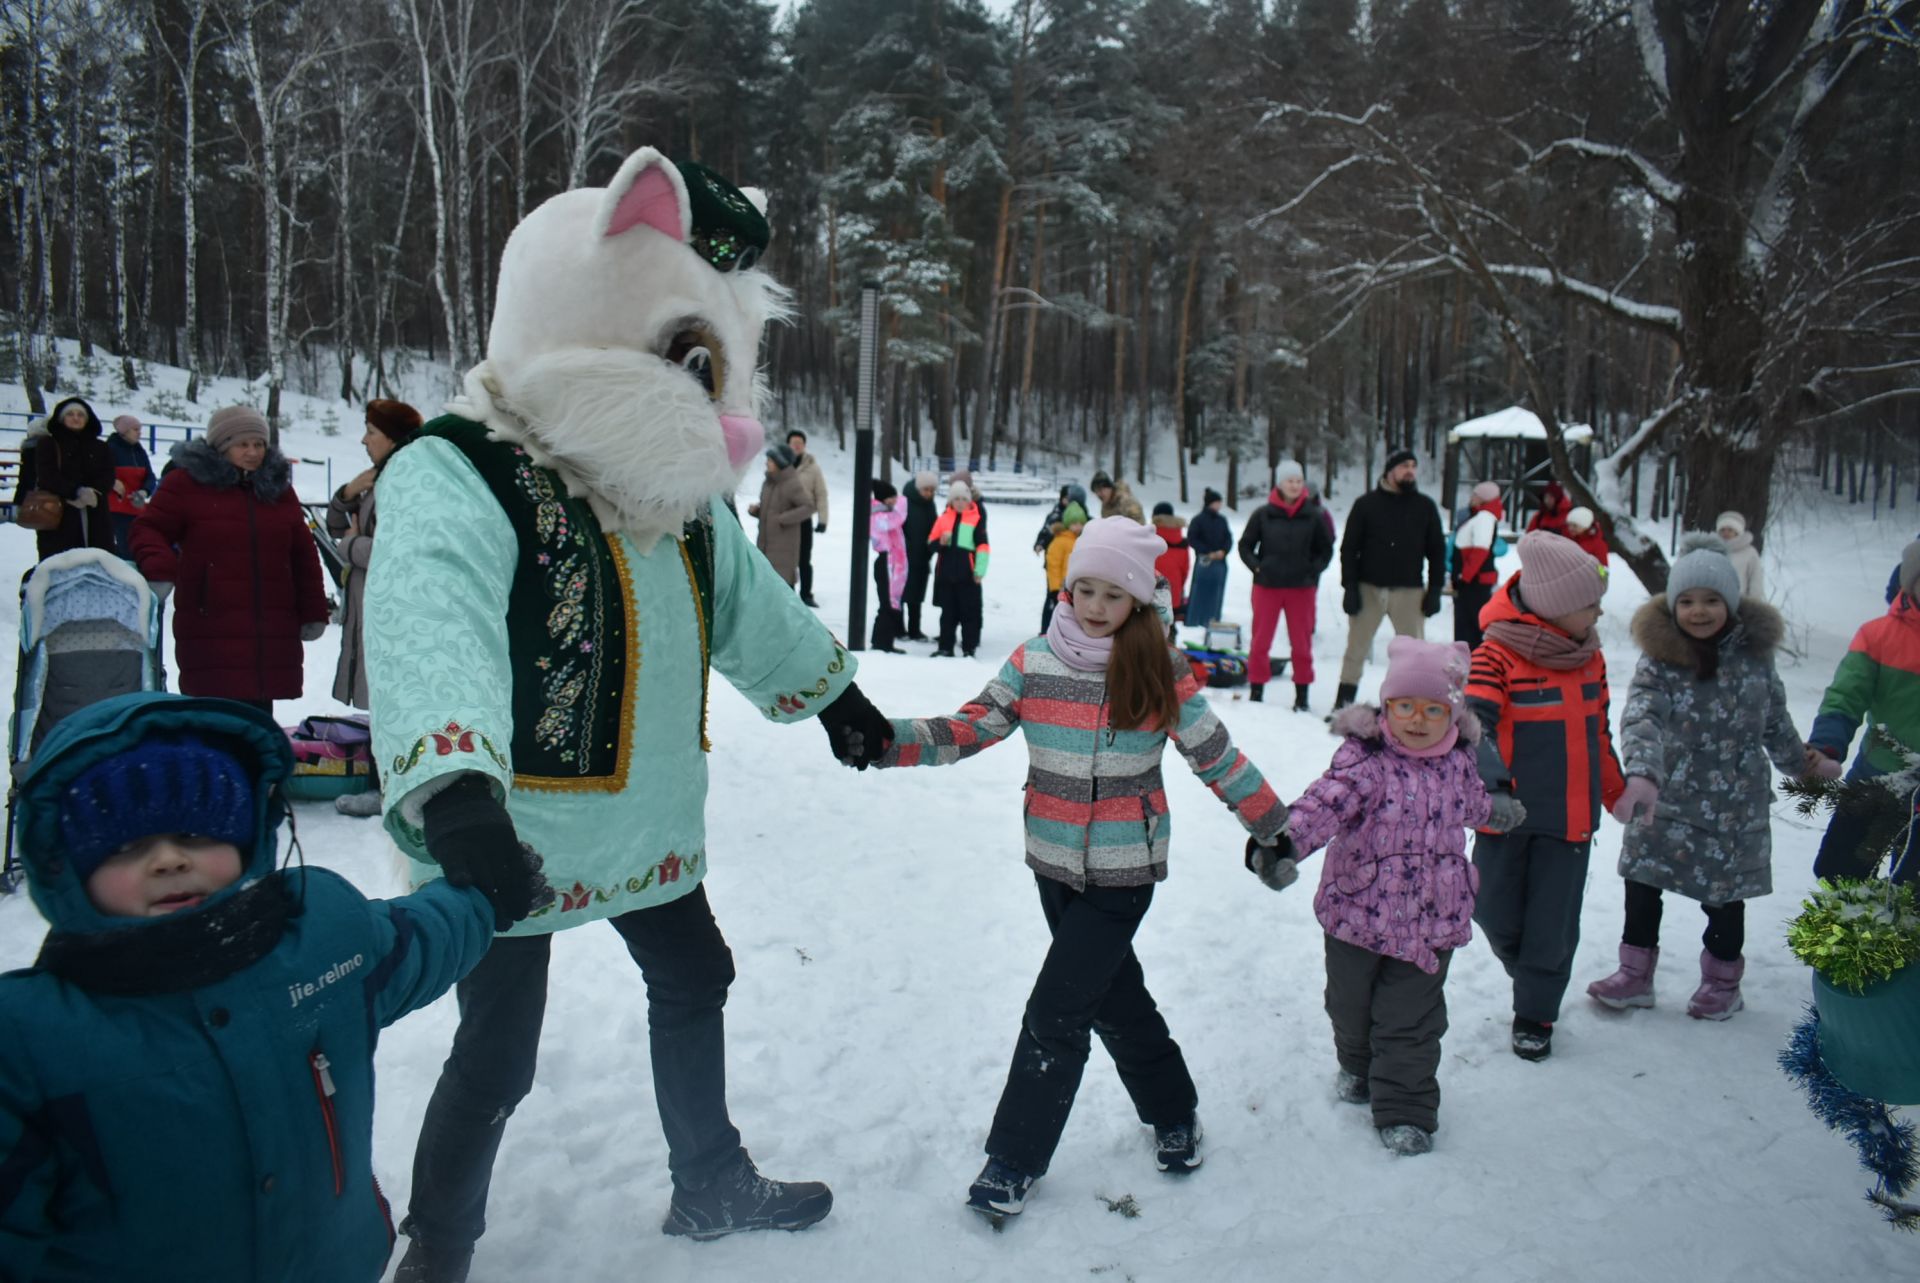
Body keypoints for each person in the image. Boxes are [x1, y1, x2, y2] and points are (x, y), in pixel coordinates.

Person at [366, 149, 895, 1282]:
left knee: (695, 975)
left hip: (646, 818)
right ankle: (439, 1248)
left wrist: (832, 693)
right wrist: (455, 787)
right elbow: (430, 616)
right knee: (498, 1056)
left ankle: (708, 1180)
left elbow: (750, 603)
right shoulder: (460, 467)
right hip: (508, 830)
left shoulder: (676, 494)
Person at [0, 692, 549, 1283]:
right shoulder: (29, 1042)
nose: (167, 860)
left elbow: (421, 940)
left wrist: (482, 902)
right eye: (124, 846)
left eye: (195, 833)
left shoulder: (318, 937)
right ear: (66, 868)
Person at [875, 517, 1288, 1221]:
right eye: (1083, 589)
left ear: (1138, 600)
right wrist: (890, 742)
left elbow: (1214, 753)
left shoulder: (1159, 666)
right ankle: (1174, 1107)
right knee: (1115, 1000)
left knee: (1056, 1010)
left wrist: (1272, 825)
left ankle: (1012, 1159)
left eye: (1112, 594)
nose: (1094, 606)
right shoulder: (1036, 660)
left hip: (1126, 869)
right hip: (1054, 864)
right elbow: (973, 724)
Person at [1251, 638, 1509, 1155]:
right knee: (1349, 1007)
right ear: (1386, 707)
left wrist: (1493, 811)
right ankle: (1356, 1062)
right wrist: (1283, 844)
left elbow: (1473, 801)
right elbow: (1322, 806)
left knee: (1411, 1022)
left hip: (1430, 924)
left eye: (1434, 708)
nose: (1418, 719)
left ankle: (1407, 1109)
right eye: (1406, 706)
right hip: (1356, 914)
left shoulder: (1459, 762)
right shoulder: (1365, 762)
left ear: (1454, 714)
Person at [1586, 536, 1830, 1022]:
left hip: (1734, 801)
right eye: (1688, 601)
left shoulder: (1756, 657)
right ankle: (1634, 974)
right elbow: (1642, 717)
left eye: (1712, 600)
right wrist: (1642, 774)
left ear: (1732, 604)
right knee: (1642, 880)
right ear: (1674, 605)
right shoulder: (1661, 657)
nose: (1699, 611)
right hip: (1667, 791)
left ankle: (1722, 981)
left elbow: (1775, 721)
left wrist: (1803, 765)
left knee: (1724, 895)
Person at [1466, 531, 1626, 1061]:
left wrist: (1616, 792)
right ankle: (1530, 970)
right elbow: (1474, 728)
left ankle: (1535, 1009)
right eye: (1590, 606)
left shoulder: (1590, 660)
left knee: (1553, 927)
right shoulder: (1497, 655)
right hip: (1505, 817)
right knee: (1488, 907)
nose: (1598, 616)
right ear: (1556, 608)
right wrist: (1490, 789)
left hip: (1570, 821)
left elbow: (1599, 733)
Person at [130, 405, 329, 716]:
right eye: (242, 444)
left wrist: (313, 610)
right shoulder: (185, 484)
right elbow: (148, 528)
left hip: (271, 624)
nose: (253, 452)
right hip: (211, 622)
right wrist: (160, 567)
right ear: (221, 446)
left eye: (259, 444)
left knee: (259, 720)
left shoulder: (278, 491)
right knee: (216, 719)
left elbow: (303, 554)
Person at [326, 398, 424, 817]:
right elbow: (335, 526)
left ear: (392, 437)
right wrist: (347, 494)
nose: (364, 439)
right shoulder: (380, 477)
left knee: (394, 698)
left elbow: (397, 551)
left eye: (371, 431)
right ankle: (385, 782)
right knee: (383, 698)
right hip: (372, 604)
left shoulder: (409, 479)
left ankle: (391, 787)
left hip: (394, 608)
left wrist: (349, 544)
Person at [1806, 540, 1920, 886]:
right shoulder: (1878, 636)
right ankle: (1835, 937)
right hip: (1876, 774)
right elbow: (1845, 696)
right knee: (1838, 871)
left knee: (1912, 890)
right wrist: (1826, 745)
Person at [1334, 449, 1443, 712]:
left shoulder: (1424, 506)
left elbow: (1437, 551)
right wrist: (1350, 587)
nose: (1410, 471)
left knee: (1414, 655)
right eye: (1404, 465)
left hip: (1409, 591)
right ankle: (1342, 705)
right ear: (1390, 470)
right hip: (1368, 587)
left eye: (1413, 466)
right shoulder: (1366, 504)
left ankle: (1410, 706)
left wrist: (1435, 589)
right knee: (1356, 649)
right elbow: (1349, 549)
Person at [1239, 460, 1335, 710]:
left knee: (1301, 643)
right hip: (1267, 586)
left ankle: (1302, 696)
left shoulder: (1314, 515)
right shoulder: (1263, 514)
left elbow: (1326, 549)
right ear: (1280, 484)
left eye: (1298, 481)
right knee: (1260, 641)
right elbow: (1245, 545)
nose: (1294, 485)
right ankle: (1257, 690)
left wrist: (1313, 571)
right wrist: (1257, 567)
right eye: (1289, 481)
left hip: (1301, 588)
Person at [17, 396, 116, 561]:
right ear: (62, 418)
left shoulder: (101, 446)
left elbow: (108, 475)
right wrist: (75, 492)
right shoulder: (48, 444)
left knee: (97, 561)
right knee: (60, 562)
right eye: (70, 414)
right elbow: (47, 475)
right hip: (59, 513)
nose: (76, 418)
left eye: (80, 414)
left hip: (95, 512)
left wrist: (94, 493)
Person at [930, 479, 990, 658]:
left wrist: (979, 571)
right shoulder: (943, 519)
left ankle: (968, 649)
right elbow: (930, 544)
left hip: (968, 576)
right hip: (946, 576)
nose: (960, 503)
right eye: (957, 499)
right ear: (951, 501)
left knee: (968, 614)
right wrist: (940, 543)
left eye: (964, 499)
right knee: (947, 614)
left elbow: (983, 547)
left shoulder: (976, 519)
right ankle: (945, 647)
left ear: (969, 500)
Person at [751, 443, 816, 588]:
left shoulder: (792, 484)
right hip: (764, 546)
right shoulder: (767, 483)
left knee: (783, 590)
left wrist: (783, 519)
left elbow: (809, 507)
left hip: (784, 549)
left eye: (770, 460)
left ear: (780, 462)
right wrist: (757, 511)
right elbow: (770, 512)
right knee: (766, 590)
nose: (766, 462)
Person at [1450, 481, 1503, 649]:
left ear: (1483, 499)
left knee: (1469, 625)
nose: (1471, 498)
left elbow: (1480, 552)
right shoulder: (1481, 516)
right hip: (1474, 581)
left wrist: (1464, 577)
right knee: (1470, 624)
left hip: (1474, 583)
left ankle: (1471, 660)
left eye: (1475, 495)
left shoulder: (1484, 518)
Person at [105, 413, 158, 558]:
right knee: (124, 546)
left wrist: (145, 491)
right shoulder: (109, 448)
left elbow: (150, 476)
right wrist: (112, 482)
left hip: (136, 506)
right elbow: (98, 473)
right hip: (116, 508)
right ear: (124, 431)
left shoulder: (139, 450)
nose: (139, 433)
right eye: (135, 429)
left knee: (137, 544)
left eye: (140, 429)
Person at [787, 429, 828, 607]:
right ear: (788, 444)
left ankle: (806, 594)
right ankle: (786, 592)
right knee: (786, 558)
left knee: (804, 558)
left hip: (804, 519)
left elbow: (821, 494)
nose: (796, 446)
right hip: (785, 519)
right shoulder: (781, 464)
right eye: (793, 443)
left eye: (800, 443)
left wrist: (822, 519)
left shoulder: (812, 467)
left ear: (804, 446)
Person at [1184, 487, 1232, 632]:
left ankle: (1213, 618)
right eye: (1217, 502)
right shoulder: (1198, 520)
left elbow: (1228, 538)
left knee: (1217, 592)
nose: (1219, 505)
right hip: (1205, 561)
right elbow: (1192, 539)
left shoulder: (1222, 520)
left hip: (1220, 561)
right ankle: (1195, 619)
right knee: (1200, 590)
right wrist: (1207, 552)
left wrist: (1224, 551)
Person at [869, 478, 908, 652]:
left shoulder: (884, 512)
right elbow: (897, 517)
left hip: (893, 563)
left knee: (891, 605)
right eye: (892, 497)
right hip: (886, 562)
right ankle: (880, 643)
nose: (895, 500)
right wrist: (901, 500)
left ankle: (885, 641)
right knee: (886, 604)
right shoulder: (878, 515)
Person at [903, 470, 940, 640]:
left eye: (932, 490)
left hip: (923, 556)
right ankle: (898, 627)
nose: (929, 493)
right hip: (905, 556)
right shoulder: (905, 502)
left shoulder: (930, 505)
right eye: (926, 490)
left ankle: (914, 629)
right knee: (902, 593)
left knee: (917, 595)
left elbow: (935, 528)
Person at [1041, 500, 1087, 632]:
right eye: (1074, 523)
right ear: (1067, 524)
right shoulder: (1060, 540)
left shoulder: (1081, 540)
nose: (1078, 527)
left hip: (1074, 588)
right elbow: (1053, 565)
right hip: (1061, 588)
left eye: (1080, 523)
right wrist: (1055, 588)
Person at [1151, 501, 1191, 623]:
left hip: (1151, 588)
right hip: (1173, 589)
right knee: (1169, 623)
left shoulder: (1150, 537)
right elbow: (1185, 569)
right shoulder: (1183, 542)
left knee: (1150, 625)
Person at [1714, 511, 1764, 600]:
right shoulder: (1712, 550)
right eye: (1722, 530)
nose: (1726, 533)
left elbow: (1755, 582)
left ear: (1738, 532)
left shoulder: (1750, 553)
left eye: (1730, 530)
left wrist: (1754, 604)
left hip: (1739, 603)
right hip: (1713, 601)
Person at [1034, 482, 1087, 557]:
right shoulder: (1055, 516)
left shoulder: (1081, 515)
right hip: (1054, 554)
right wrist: (1040, 543)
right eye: (1066, 498)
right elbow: (1045, 531)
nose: (1068, 501)